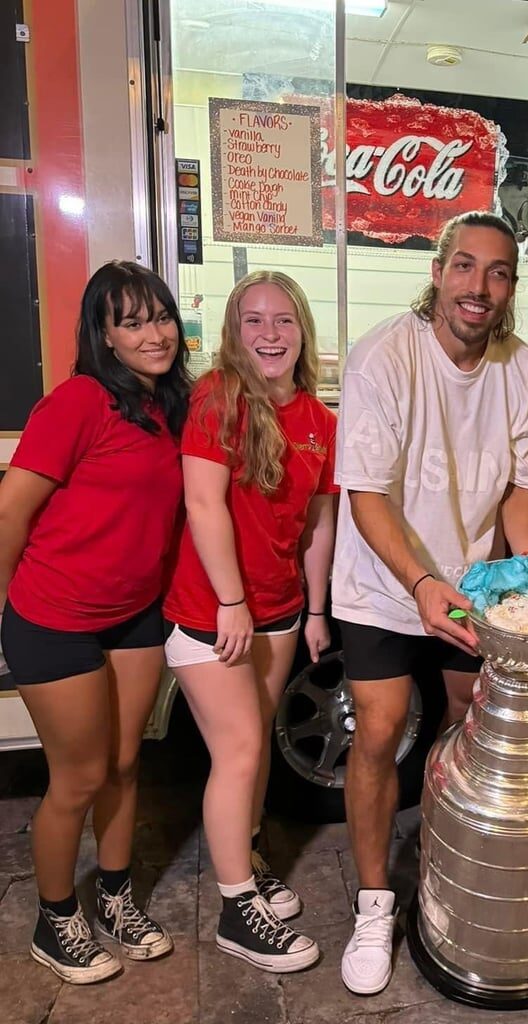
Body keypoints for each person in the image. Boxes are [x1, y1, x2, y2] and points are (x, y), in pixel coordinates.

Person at [333, 211, 528, 995]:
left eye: (498, 274)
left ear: (510, 290)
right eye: (465, 267)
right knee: (382, 731)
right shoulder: (383, 358)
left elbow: (524, 500)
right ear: (437, 271)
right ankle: (373, 901)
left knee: (470, 727)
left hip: (469, 584)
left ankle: (448, 869)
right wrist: (422, 585)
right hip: (382, 583)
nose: (479, 287)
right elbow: (366, 497)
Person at [0, 262, 188, 983]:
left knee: (123, 763)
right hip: (55, 616)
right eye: (132, 321)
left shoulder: (169, 407)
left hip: (134, 614)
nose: (153, 333)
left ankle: (114, 899)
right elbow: (12, 512)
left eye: (161, 316)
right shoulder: (78, 402)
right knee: (76, 779)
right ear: (104, 334)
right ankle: (55, 921)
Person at [164, 271, 335, 973]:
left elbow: (319, 526)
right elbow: (203, 506)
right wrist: (232, 599)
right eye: (254, 321)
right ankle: (238, 912)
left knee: (256, 745)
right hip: (213, 615)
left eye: (284, 320)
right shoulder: (217, 398)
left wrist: (316, 607)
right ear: (235, 333)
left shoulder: (321, 421)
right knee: (237, 752)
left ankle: (249, 855)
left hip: (281, 611)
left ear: (303, 331)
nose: (270, 334)